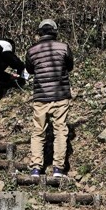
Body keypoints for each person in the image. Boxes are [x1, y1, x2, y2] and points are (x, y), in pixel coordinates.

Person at [25, 19, 74, 177]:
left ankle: (36, 168)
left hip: (40, 97)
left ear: (40, 32)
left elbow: (30, 70)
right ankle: (58, 169)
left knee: (38, 132)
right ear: (55, 31)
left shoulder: (32, 50)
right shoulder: (64, 47)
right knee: (61, 131)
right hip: (60, 95)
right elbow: (70, 66)